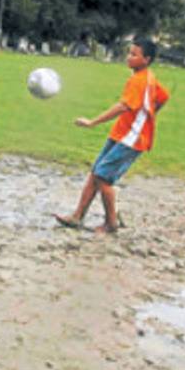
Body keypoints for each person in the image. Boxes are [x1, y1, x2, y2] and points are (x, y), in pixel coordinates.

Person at [54, 38, 169, 235]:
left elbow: (122, 106)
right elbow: (163, 96)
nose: (129, 57)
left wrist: (92, 122)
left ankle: (111, 223)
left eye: (134, 55)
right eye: (129, 53)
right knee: (95, 173)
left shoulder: (139, 80)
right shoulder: (149, 77)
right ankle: (77, 217)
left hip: (132, 138)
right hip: (121, 134)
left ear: (147, 59)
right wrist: (149, 114)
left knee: (103, 177)